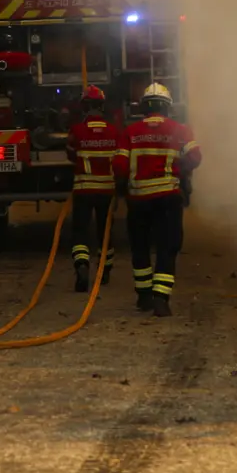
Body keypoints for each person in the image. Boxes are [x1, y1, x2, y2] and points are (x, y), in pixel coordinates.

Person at [113, 82, 202, 317]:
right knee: (167, 248)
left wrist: (121, 187)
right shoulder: (180, 130)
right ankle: (161, 299)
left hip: (139, 199)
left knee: (140, 247)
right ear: (167, 107)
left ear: (144, 107)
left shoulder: (130, 132)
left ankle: (144, 297)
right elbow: (195, 156)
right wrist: (180, 169)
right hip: (168, 200)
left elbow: (120, 165)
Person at [65, 84, 120, 292]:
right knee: (105, 232)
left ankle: (81, 265)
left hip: (83, 190)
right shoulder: (114, 131)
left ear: (84, 107)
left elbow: (70, 152)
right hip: (107, 191)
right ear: (102, 106)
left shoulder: (77, 130)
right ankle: (104, 270)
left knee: (80, 231)